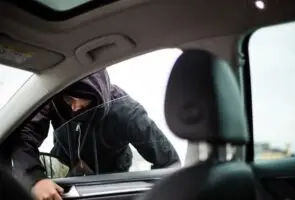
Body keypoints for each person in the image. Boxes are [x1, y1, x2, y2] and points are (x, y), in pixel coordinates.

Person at [11, 69, 180, 200]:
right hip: (67, 170)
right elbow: (24, 137)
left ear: (96, 93)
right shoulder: (55, 101)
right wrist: (35, 179)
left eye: (82, 99)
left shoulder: (126, 112)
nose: (74, 107)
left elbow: (168, 161)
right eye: (69, 99)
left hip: (111, 178)